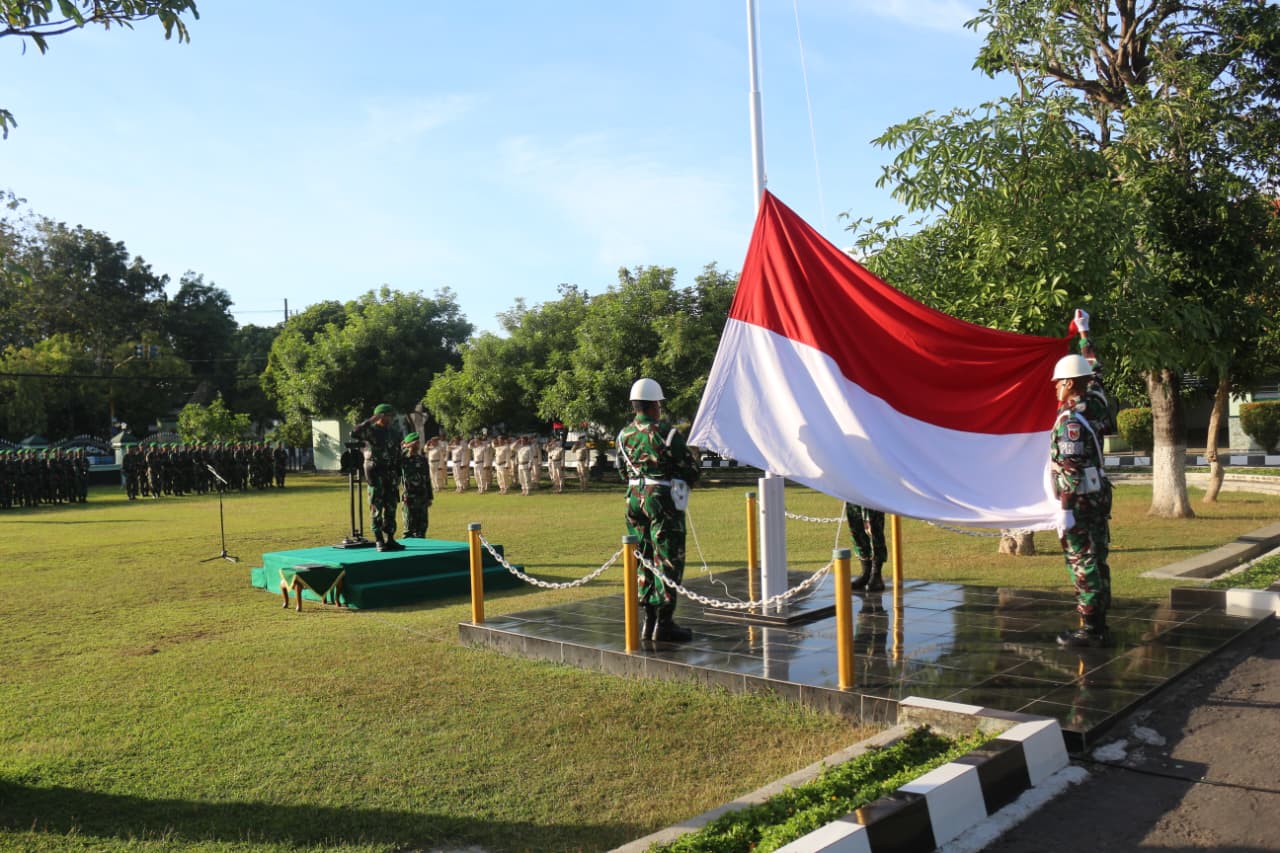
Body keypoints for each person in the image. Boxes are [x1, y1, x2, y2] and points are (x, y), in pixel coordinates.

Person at [617, 377, 701, 642]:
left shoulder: (623, 435)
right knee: (667, 556)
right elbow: (690, 470)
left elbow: (622, 471)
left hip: (633, 498)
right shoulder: (668, 432)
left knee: (643, 555)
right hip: (661, 500)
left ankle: (648, 620)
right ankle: (664, 623)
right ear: (655, 404)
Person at [1050, 351, 1113, 647]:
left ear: (1070, 384)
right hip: (1098, 497)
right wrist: (1085, 335)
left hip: (1079, 501)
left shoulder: (1070, 421)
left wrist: (1065, 509)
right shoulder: (1095, 405)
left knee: (1082, 560)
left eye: (1058, 383)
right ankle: (1099, 622)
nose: (1055, 388)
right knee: (1098, 557)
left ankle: (1088, 627)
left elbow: (1072, 469)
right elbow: (1096, 375)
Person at [351, 403, 404, 552]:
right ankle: (379, 539)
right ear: (380, 416)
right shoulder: (372, 431)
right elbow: (354, 433)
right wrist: (371, 420)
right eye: (388, 415)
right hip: (377, 475)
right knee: (376, 508)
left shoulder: (394, 432)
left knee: (391, 508)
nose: (391, 418)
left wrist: (399, 471)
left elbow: (398, 451)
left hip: (391, 475)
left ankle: (390, 538)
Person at [844, 503, 888, 591]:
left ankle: (876, 575)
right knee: (856, 529)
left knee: (874, 530)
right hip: (853, 493)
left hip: (871, 495)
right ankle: (866, 573)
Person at [400, 432, 433, 539]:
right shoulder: (403, 459)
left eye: (418, 443)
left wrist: (429, 497)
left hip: (422, 497)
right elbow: (394, 457)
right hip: (409, 497)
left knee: (422, 528)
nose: (417, 445)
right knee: (409, 528)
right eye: (415, 443)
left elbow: (427, 479)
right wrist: (404, 447)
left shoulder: (422, 459)